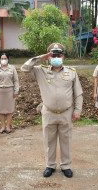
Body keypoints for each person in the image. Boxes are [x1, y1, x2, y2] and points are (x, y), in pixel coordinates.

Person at [21, 43, 83, 178]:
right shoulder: (40, 71)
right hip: (49, 113)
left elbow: (78, 93)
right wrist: (41, 58)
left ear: (63, 57)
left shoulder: (71, 72)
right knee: (49, 141)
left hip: (66, 112)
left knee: (66, 140)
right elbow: (24, 68)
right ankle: (50, 165)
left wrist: (77, 110)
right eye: (53, 55)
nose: (56, 57)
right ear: (49, 57)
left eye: (59, 55)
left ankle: (66, 165)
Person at [0, 53, 19, 134]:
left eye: (5, 58)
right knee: (1, 110)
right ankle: (3, 126)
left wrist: (16, 91)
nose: (3, 60)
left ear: (8, 59)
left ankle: (8, 126)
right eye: (2, 58)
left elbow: (16, 80)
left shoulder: (12, 68)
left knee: (9, 110)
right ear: (0, 59)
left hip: (9, 91)